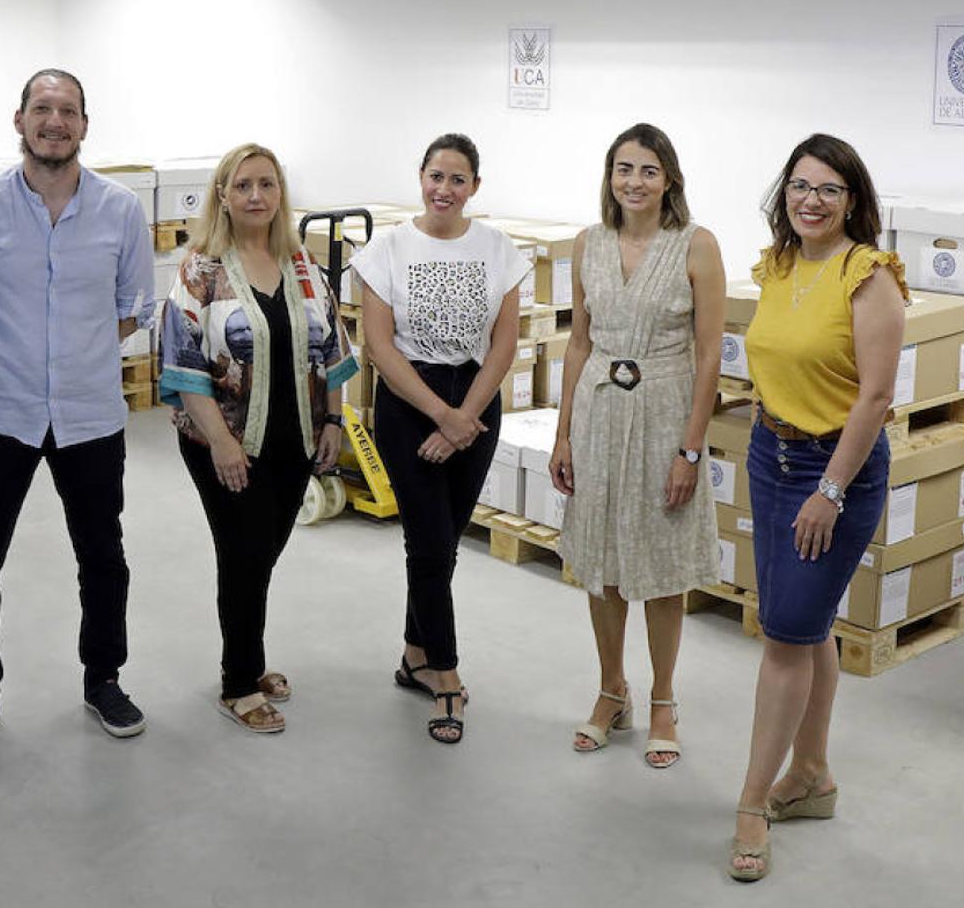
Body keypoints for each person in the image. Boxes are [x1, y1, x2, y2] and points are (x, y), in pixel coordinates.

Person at [0, 68, 156, 756]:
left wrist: (73, 360)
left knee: (102, 557)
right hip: (2, 413)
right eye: (42, 108)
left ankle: (104, 679)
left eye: (68, 111)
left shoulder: (120, 210)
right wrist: (14, 359)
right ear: (19, 119)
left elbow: (133, 308)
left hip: (90, 415)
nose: (54, 121)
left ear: (85, 125)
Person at [727, 133, 904, 882]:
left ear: (854, 200)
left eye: (828, 189)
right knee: (807, 627)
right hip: (771, 455)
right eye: (800, 185)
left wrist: (829, 491)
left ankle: (751, 807)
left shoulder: (870, 278)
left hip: (836, 470)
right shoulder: (779, 265)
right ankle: (813, 774)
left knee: (782, 637)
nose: (811, 200)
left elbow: (876, 397)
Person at [158, 144, 357, 733]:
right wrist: (221, 443)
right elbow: (184, 359)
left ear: (280, 194)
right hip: (222, 440)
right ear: (222, 194)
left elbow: (333, 349)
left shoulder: (302, 265)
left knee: (264, 551)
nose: (255, 196)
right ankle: (238, 682)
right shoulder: (202, 267)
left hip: (293, 436)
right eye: (242, 185)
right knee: (243, 553)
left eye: (266, 185)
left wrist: (332, 421)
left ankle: (250, 656)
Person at [550, 123, 724, 770]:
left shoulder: (696, 246)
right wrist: (563, 431)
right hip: (599, 411)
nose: (634, 181)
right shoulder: (587, 244)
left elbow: (710, 356)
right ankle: (610, 689)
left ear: (669, 178)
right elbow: (577, 342)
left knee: (661, 563)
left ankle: (663, 701)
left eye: (648, 170)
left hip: (664, 411)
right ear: (609, 176)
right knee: (603, 560)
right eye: (624, 169)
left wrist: (691, 449)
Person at [350, 133, 529, 744]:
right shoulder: (387, 249)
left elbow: (505, 343)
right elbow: (378, 345)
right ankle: (447, 677)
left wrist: (465, 416)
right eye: (435, 176)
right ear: (419, 178)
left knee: (442, 545)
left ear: (475, 186)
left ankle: (413, 656)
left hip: (476, 402)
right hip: (408, 403)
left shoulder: (499, 250)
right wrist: (441, 415)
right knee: (427, 547)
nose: (444, 189)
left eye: (458, 179)